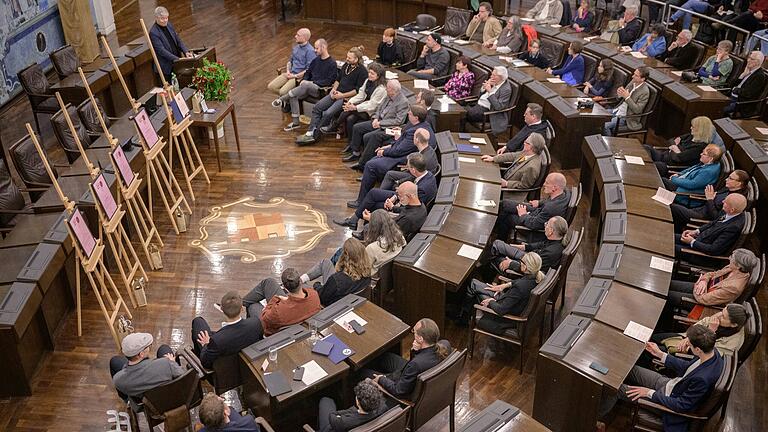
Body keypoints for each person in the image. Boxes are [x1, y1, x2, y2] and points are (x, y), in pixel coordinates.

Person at [598, 325, 724, 432]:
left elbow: (681, 405)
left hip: (667, 401)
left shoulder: (703, 379)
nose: (687, 346)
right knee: (629, 367)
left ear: (697, 349)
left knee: (614, 388)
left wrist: (649, 393)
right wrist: (660, 354)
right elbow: (687, 368)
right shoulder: (712, 352)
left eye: (690, 345)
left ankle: (593, 419)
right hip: (671, 385)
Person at [349, 107, 434, 203]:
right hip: (404, 154)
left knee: (371, 164)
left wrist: (384, 152)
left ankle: (361, 200)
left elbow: (399, 150)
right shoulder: (423, 125)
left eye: (410, 114)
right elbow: (402, 144)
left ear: (416, 118)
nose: (408, 114)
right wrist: (388, 146)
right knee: (374, 159)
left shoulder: (414, 132)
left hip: (402, 159)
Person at [339, 150, 436, 230]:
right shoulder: (425, 174)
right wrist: (394, 197)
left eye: (408, 167)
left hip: (403, 206)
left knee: (373, 204)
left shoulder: (422, 189)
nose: (407, 169)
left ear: (414, 170)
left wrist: (393, 206)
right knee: (373, 193)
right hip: (402, 199)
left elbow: (411, 207)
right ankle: (355, 221)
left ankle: (363, 228)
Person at [366, 318, 450, 401]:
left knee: (363, 373)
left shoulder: (416, 364)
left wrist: (381, 379)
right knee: (385, 357)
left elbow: (398, 391)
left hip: (403, 386)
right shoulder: (445, 345)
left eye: (414, 332)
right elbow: (416, 363)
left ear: (420, 339)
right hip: (410, 374)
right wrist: (416, 351)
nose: (413, 333)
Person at [297, 46, 368, 145]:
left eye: (349, 58)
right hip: (336, 93)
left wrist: (342, 95)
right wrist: (334, 89)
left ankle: (316, 135)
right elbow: (338, 80)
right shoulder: (345, 66)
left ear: (356, 59)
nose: (347, 59)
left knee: (328, 113)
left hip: (346, 98)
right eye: (347, 56)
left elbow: (357, 91)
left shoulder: (362, 71)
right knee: (317, 108)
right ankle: (310, 132)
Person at [463, 252, 546, 333]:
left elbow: (501, 310)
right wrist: (504, 285)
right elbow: (520, 282)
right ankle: (463, 315)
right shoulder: (537, 277)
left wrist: (491, 301)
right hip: (509, 302)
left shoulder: (519, 287)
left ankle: (464, 318)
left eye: (521, 262)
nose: (520, 263)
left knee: (474, 287)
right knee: (474, 284)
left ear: (525, 267)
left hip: (503, 317)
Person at [273, 39, 337, 132]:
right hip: (307, 87)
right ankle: (295, 123)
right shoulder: (316, 60)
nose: (315, 50)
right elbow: (308, 72)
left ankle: (281, 99)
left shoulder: (332, 63)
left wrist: (311, 82)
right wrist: (304, 80)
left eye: (317, 48)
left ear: (323, 47)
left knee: (305, 85)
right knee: (294, 95)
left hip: (319, 89)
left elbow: (329, 81)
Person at [649, 304, 747, 364]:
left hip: (694, 354)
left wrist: (710, 331)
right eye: (722, 311)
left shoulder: (733, 343)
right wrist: (688, 338)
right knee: (653, 337)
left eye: (723, 316)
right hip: (688, 339)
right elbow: (701, 323)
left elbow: (708, 355)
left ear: (734, 324)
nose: (719, 315)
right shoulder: (721, 319)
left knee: (649, 349)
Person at [191, 291, 263, 369]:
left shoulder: (216, 340)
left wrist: (206, 344)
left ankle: (197, 358)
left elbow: (205, 363)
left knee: (198, 321)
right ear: (242, 308)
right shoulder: (255, 323)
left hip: (223, 370)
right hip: (246, 363)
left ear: (221, 309)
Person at [666, 248, 758, 308]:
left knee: (666, 295)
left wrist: (698, 285)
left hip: (699, 302)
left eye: (732, 258)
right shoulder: (733, 268)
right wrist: (704, 281)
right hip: (704, 287)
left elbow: (704, 299)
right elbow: (714, 274)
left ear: (739, 266)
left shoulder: (734, 288)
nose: (729, 258)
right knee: (667, 284)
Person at [342, 79, 410, 161]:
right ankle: (355, 152)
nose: (386, 89)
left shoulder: (403, 102)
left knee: (367, 136)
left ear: (393, 90)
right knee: (357, 127)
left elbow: (398, 121)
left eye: (388, 88)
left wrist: (380, 123)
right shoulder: (388, 95)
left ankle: (365, 159)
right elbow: (379, 108)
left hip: (387, 126)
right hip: (377, 121)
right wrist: (376, 118)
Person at [242, 268, 322, 336]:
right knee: (269, 282)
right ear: (300, 282)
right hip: (297, 317)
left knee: (252, 306)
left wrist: (275, 299)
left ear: (284, 287)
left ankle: (239, 306)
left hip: (276, 332)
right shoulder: (314, 295)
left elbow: (264, 318)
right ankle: (239, 304)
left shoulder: (278, 311)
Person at [110, 333, 185, 405]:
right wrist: (173, 363)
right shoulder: (166, 363)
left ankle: (128, 402)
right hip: (166, 398)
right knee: (164, 348)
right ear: (141, 354)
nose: (149, 347)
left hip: (143, 403)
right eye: (148, 346)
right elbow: (182, 377)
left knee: (114, 361)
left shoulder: (118, 380)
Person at [495, 173, 570, 240]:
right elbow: (549, 201)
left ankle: (500, 239)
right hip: (536, 211)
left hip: (532, 224)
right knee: (505, 204)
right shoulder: (564, 192)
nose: (544, 184)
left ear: (554, 188)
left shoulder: (550, 208)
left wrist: (523, 215)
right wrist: (539, 202)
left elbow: (534, 224)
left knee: (507, 217)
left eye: (547, 183)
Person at [671, 170, 750, 232]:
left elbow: (716, 218)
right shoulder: (728, 188)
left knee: (672, 207)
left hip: (702, 217)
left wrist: (710, 199)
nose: (726, 179)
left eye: (730, 178)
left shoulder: (735, 200)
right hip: (700, 208)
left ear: (738, 184)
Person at [301, 238, 371, 306]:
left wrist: (317, 285)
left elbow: (322, 298)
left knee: (301, 285)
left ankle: (298, 281)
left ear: (345, 256)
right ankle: (303, 278)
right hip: (347, 300)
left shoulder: (336, 279)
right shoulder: (367, 273)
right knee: (326, 262)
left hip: (332, 306)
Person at [675, 193, 747, 258]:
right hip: (698, 239)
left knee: (668, 246)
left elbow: (713, 249)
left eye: (725, 202)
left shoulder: (733, 228)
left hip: (698, 253)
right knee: (668, 236)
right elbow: (712, 223)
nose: (722, 202)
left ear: (732, 210)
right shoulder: (731, 212)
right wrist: (696, 231)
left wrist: (692, 242)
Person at [490, 216, 569, 275]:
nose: (545, 225)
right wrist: (522, 247)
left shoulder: (551, 253)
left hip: (525, 266)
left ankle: (485, 273)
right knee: (497, 244)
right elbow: (540, 244)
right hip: (528, 256)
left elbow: (531, 269)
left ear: (551, 231)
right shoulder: (556, 239)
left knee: (495, 257)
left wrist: (510, 263)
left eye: (547, 224)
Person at [645, 116, 718, 177]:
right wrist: (676, 149)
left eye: (693, 127)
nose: (690, 128)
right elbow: (672, 140)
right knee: (646, 148)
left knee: (652, 165)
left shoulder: (699, 147)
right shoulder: (691, 135)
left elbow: (678, 159)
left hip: (670, 166)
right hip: (664, 156)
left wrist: (677, 148)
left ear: (700, 130)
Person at [334, 63, 388, 139]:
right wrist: (351, 102)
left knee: (347, 110)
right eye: (369, 72)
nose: (369, 75)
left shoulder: (381, 89)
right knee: (350, 118)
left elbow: (372, 105)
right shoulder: (367, 81)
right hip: (362, 107)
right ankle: (350, 142)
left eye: (372, 74)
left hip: (372, 112)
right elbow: (361, 95)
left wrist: (355, 107)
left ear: (378, 76)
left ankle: (335, 125)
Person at [481, 132, 546, 189]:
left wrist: (506, 183)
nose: (523, 143)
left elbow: (525, 185)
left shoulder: (532, 167)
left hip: (509, 190)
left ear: (531, 147)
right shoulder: (526, 152)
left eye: (526, 142)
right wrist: (493, 158)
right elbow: (511, 156)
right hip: (503, 177)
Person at [316, 380, 386, 432]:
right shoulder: (383, 408)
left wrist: (351, 411)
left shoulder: (343, 422)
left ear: (358, 403)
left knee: (325, 400)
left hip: (331, 429)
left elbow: (332, 415)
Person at [462, 66, 513, 136]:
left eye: (494, 75)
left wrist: (490, 91)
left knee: (462, 114)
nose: (491, 76)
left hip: (488, 112)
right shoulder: (494, 81)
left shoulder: (506, 89)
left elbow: (499, 107)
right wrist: (484, 87)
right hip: (477, 106)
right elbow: (479, 96)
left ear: (500, 77)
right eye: (492, 74)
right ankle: (461, 133)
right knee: (460, 111)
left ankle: (461, 134)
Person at [149, 6, 194, 82]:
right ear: (156, 18)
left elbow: (178, 39)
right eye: (162, 18)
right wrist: (177, 59)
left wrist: (186, 51)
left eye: (166, 18)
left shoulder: (169, 25)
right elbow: (161, 51)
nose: (165, 20)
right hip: (166, 68)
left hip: (177, 62)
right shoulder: (153, 33)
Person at [267, 28, 316, 96]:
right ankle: (289, 98)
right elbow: (290, 62)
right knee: (271, 86)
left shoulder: (310, 51)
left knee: (283, 92)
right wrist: (288, 72)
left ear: (304, 38)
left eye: (298, 35)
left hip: (298, 77)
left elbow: (309, 70)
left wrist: (294, 76)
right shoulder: (296, 47)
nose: (295, 36)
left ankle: (288, 98)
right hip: (290, 73)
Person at [603, 67, 650, 136]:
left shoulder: (645, 92)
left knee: (605, 125)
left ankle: (609, 145)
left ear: (642, 79)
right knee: (598, 117)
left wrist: (627, 97)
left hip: (627, 117)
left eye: (636, 75)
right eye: (634, 74)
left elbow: (637, 110)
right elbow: (622, 95)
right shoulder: (632, 82)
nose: (632, 76)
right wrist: (619, 94)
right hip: (618, 110)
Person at [724, 51, 767, 118]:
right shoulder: (747, 70)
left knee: (719, 109)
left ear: (758, 62)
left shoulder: (759, 76)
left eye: (751, 59)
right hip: (731, 97)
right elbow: (731, 85)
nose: (748, 60)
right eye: (749, 58)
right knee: (713, 104)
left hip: (740, 103)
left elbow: (748, 93)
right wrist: (742, 75)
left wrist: (735, 89)